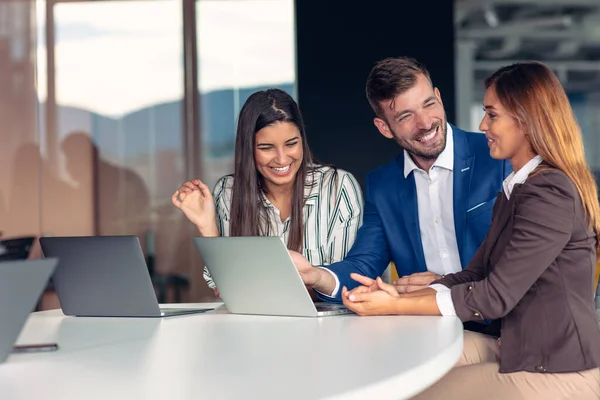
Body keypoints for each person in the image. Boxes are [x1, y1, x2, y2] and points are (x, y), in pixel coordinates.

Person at [342, 61, 600, 399]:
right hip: (518, 344)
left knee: (419, 394)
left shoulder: (548, 192)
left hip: (558, 363)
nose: (482, 125)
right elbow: (476, 272)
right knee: (401, 370)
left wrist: (394, 306)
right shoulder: (517, 188)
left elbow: (494, 295)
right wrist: (400, 294)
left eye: (492, 115)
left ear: (525, 121)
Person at [290, 57, 510, 303]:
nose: (425, 123)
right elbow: (363, 266)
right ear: (384, 127)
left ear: (439, 97)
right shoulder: (383, 185)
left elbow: (524, 261)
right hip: (425, 328)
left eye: (429, 104)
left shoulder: (497, 156)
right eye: (406, 116)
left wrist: (444, 286)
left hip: (501, 325)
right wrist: (315, 275)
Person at [172, 89, 363, 296]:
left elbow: (346, 284)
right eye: (266, 148)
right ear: (248, 149)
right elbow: (225, 288)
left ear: (302, 139)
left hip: (327, 326)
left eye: (291, 144)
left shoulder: (337, 187)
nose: (282, 159)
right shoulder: (228, 192)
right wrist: (207, 226)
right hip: (254, 325)